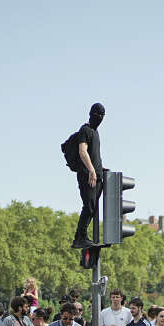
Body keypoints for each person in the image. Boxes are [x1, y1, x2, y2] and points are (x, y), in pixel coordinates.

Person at [70, 102, 106, 248]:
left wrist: (100, 169)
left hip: (96, 176)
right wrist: (91, 170)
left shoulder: (95, 133)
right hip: (87, 176)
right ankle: (80, 237)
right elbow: (82, 151)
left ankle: (83, 236)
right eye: (97, 115)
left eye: (102, 115)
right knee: (89, 207)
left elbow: (93, 155)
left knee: (93, 207)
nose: (100, 118)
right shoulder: (85, 130)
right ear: (91, 114)